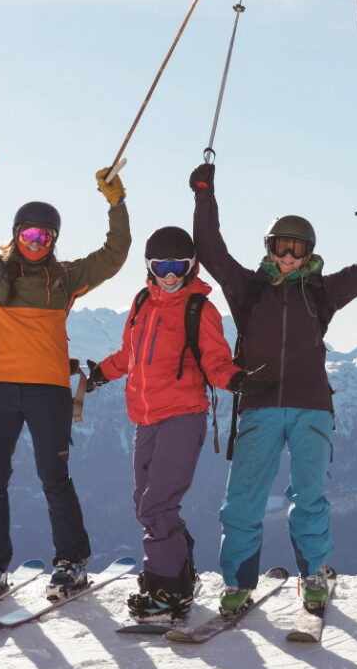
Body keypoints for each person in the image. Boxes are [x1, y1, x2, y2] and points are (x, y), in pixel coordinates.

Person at [188, 160, 357, 613]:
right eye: (282, 246)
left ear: (308, 252)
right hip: (259, 406)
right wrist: (204, 195)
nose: (288, 256)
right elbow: (209, 247)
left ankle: (314, 574)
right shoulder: (248, 288)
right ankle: (238, 583)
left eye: (297, 249)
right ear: (270, 247)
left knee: (309, 497)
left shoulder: (321, 291)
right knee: (243, 499)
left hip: (311, 408)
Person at [0, 143, 131, 602]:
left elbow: (115, 253)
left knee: (54, 478)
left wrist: (116, 203)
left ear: (54, 242)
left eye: (44, 238)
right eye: (29, 236)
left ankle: (71, 562)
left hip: (48, 392)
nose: (35, 243)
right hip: (0, 390)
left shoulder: (65, 279)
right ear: (16, 235)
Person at [85, 226, 254, 621]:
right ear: (150, 266)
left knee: (158, 503)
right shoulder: (143, 301)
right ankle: (179, 573)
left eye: (179, 265)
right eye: (163, 265)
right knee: (144, 502)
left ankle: (167, 590)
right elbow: (130, 354)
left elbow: (216, 362)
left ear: (192, 265)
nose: (171, 274)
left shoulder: (200, 309)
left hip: (183, 416)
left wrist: (238, 380)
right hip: (146, 418)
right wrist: (99, 375)